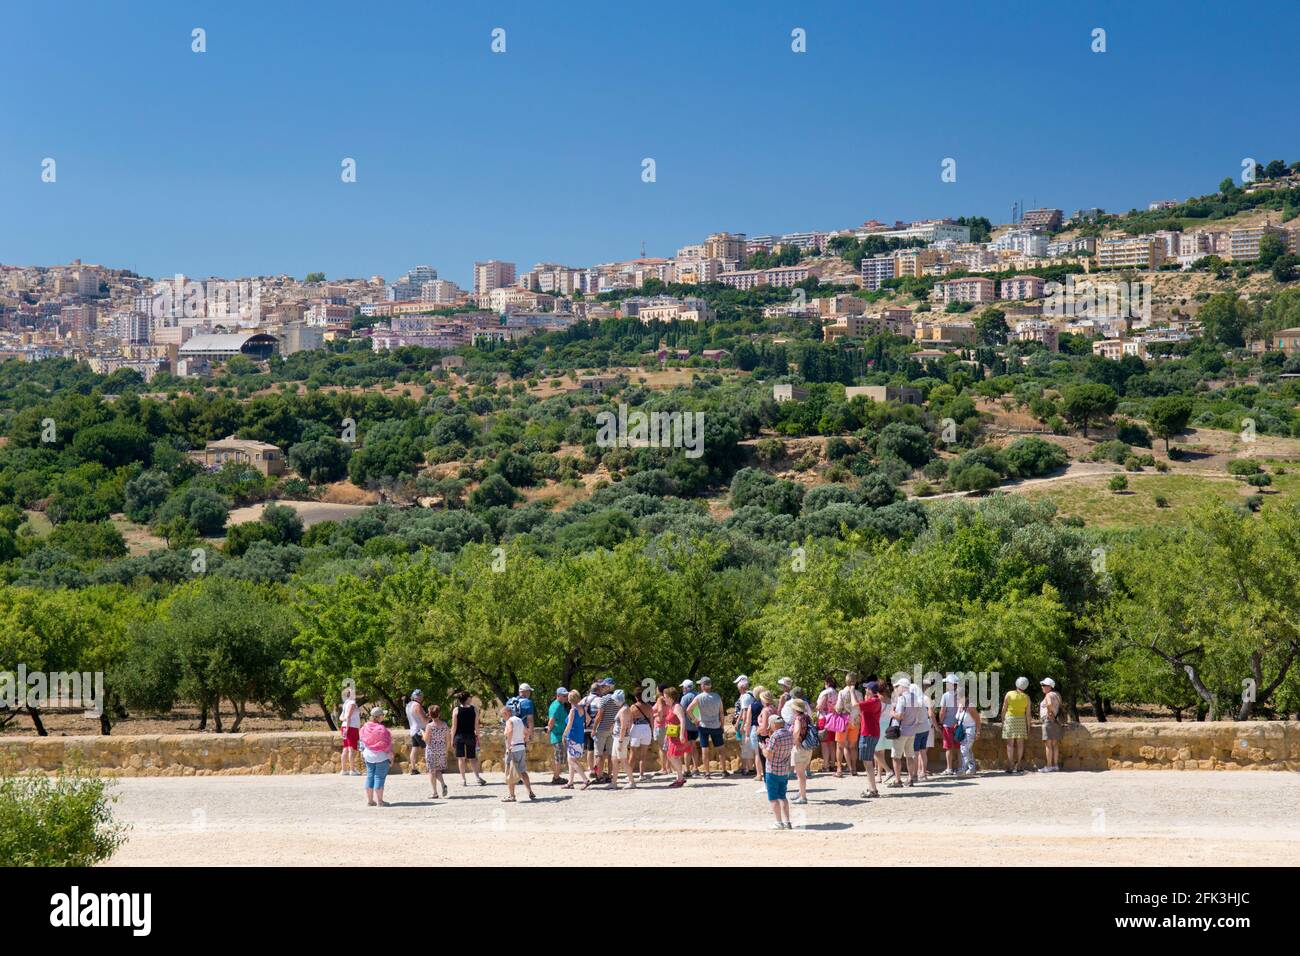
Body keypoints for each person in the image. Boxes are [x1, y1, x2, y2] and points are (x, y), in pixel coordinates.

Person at [687, 676, 727, 778]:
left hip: (703, 725)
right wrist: (722, 725)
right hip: (716, 725)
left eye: (701, 684)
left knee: (705, 749)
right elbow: (721, 713)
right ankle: (723, 770)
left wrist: (695, 720)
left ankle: (707, 773)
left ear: (704, 686)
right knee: (721, 749)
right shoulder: (717, 697)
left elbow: (688, 710)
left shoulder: (699, 697)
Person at [761, 714, 794, 830]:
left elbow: (769, 755)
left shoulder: (776, 736)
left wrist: (763, 748)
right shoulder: (789, 734)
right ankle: (787, 821)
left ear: (774, 724)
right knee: (783, 796)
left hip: (772, 770)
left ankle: (779, 822)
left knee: (773, 798)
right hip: (784, 770)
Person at [449, 691, 486, 787]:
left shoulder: (456, 710)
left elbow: (454, 726)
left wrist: (452, 739)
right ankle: (477, 778)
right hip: (470, 736)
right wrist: (478, 737)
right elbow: (476, 726)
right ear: (467, 699)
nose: (471, 698)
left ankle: (463, 780)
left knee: (461, 759)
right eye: (469, 697)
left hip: (459, 736)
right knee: (473, 758)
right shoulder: (474, 709)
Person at [886, 676, 917, 787]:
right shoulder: (914, 697)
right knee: (910, 756)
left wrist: (892, 713)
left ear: (902, 687)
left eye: (897, 686)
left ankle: (898, 780)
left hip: (901, 731)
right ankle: (910, 778)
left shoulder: (902, 699)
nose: (896, 688)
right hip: (912, 731)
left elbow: (900, 716)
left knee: (896, 757)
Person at [359, 706, 392, 807]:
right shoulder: (382, 729)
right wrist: (390, 755)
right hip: (381, 756)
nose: (383, 716)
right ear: (378, 717)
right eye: (382, 715)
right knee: (379, 777)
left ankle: (370, 801)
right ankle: (380, 802)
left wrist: (362, 752)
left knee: (370, 777)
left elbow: (362, 741)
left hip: (368, 755)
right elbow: (386, 744)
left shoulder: (365, 727)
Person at [501, 705, 536, 802]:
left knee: (510, 772)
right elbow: (527, 732)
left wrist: (509, 745)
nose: (503, 718)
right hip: (521, 748)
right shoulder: (519, 720)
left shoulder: (509, 721)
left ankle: (512, 796)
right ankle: (530, 791)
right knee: (522, 771)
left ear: (506, 713)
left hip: (513, 749)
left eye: (503, 715)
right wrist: (524, 741)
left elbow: (510, 731)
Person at [1000, 676, 1032, 773]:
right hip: (1021, 720)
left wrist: (1002, 720)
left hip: (1010, 719)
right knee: (1020, 744)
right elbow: (1028, 714)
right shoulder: (1027, 697)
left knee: (1010, 744)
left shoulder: (1009, 694)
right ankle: (1019, 765)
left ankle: (1010, 765)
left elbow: (1004, 709)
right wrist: (1028, 726)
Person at [856, 680, 882, 798]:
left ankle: (873, 789)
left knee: (868, 762)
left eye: (867, 689)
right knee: (867, 762)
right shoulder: (873, 701)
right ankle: (872, 788)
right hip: (871, 733)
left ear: (871, 691)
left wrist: (852, 692)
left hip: (869, 734)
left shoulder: (873, 702)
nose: (865, 690)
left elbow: (855, 705)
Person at [591, 679, 619, 783]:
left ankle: (599, 776)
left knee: (598, 754)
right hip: (613, 730)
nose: (601, 688)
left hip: (602, 729)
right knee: (611, 754)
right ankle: (610, 775)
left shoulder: (604, 699)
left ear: (608, 687)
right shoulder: (618, 699)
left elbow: (599, 715)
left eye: (603, 687)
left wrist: (594, 728)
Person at [561, 689, 590, 789]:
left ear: (570, 699)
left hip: (572, 736)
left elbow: (569, 725)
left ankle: (585, 780)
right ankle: (570, 782)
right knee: (571, 760)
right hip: (580, 736)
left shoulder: (573, 710)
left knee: (572, 760)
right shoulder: (582, 708)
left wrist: (564, 735)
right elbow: (588, 719)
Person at [663, 686, 691, 788]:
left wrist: (681, 734)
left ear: (670, 697)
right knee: (672, 755)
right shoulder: (672, 707)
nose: (664, 698)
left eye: (665, 696)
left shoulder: (677, 707)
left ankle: (680, 777)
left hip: (678, 734)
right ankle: (680, 777)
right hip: (672, 734)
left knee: (672, 755)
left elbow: (682, 720)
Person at [836, 672, 862, 777]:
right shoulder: (859, 694)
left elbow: (838, 708)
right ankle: (854, 769)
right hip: (855, 721)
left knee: (840, 746)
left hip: (843, 721)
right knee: (853, 747)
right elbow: (860, 707)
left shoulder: (842, 693)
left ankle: (839, 769)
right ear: (855, 681)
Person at [789, 699, 815, 804]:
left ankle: (803, 797)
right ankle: (800, 792)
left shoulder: (798, 719)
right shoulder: (807, 717)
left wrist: (795, 741)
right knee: (802, 772)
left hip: (800, 748)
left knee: (800, 774)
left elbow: (796, 731)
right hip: (808, 747)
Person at [611, 689, 637, 789]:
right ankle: (614, 782)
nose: (614, 702)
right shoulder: (623, 708)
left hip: (620, 738)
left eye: (614, 700)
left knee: (623, 760)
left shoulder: (624, 710)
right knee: (614, 759)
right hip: (617, 737)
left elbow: (623, 727)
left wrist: (621, 741)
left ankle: (632, 782)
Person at [627, 687, 655, 780]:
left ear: (636, 697)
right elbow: (652, 721)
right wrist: (652, 732)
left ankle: (629, 775)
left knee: (632, 754)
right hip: (646, 729)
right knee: (644, 754)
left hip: (635, 729)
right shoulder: (649, 707)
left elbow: (630, 721)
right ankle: (641, 775)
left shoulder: (633, 707)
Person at [938, 674, 963, 776]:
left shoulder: (945, 696)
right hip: (959, 724)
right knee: (959, 747)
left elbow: (942, 711)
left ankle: (949, 768)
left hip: (948, 725)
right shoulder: (961, 695)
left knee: (948, 747)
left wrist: (940, 721)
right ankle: (961, 768)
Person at [424, 703, 448, 799]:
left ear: (430, 714)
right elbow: (448, 739)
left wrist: (423, 734)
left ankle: (435, 792)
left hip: (431, 751)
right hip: (441, 750)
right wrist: (446, 750)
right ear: (439, 714)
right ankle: (443, 784)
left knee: (431, 771)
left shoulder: (429, 726)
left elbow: (427, 740)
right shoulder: (444, 725)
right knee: (437, 770)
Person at [1038, 678, 1063, 772]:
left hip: (1048, 721)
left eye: (1044, 685)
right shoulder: (1057, 694)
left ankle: (1048, 766)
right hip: (1056, 721)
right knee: (1055, 744)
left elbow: (1049, 704)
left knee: (1048, 744)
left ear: (1049, 686)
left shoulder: (1048, 695)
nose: (1042, 687)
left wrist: (1050, 713)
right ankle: (1055, 765)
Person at [815, 675, 838, 774]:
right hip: (833, 718)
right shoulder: (836, 693)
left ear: (827, 683)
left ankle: (825, 766)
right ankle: (833, 764)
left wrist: (817, 707)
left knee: (824, 743)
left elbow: (820, 707)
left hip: (824, 718)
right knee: (832, 742)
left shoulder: (825, 692)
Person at [546, 687, 569, 785]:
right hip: (557, 736)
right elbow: (551, 721)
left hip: (560, 735)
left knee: (559, 757)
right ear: (558, 695)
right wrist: (549, 729)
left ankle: (557, 776)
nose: (566, 697)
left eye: (566, 695)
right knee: (558, 757)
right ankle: (556, 777)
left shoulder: (560, 705)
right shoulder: (556, 706)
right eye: (564, 696)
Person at [874, 682, 895, 782]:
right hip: (887, 725)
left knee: (875, 751)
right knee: (881, 752)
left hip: (878, 725)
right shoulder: (891, 700)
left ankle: (888, 770)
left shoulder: (878, 700)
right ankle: (879, 775)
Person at [679, 679, 700, 776]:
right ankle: (696, 768)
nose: (683, 689)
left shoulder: (685, 698)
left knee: (687, 748)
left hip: (687, 726)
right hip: (697, 726)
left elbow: (682, 712)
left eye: (683, 687)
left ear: (687, 687)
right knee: (694, 747)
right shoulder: (698, 695)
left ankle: (687, 770)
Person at [733, 675, 754, 770]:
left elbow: (745, 712)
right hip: (742, 722)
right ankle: (746, 767)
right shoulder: (748, 695)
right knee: (745, 746)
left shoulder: (746, 696)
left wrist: (740, 725)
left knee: (746, 746)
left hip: (744, 723)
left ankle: (749, 768)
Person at [957, 690, 981, 775]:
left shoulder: (970, 706)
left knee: (964, 749)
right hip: (963, 730)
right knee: (968, 749)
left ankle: (964, 768)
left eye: (959, 696)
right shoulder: (960, 705)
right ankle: (971, 768)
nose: (957, 698)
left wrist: (978, 732)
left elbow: (977, 720)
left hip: (970, 730)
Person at [339, 687, 361, 776]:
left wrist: (345, 721)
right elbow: (348, 716)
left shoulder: (345, 703)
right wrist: (348, 727)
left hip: (344, 726)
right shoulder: (352, 703)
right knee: (351, 749)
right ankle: (352, 770)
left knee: (345, 748)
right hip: (351, 727)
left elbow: (341, 717)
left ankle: (344, 770)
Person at [405, 689, 427, 775]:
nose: (422, 697)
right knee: (427, 749)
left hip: (413, 730)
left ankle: (413, 768)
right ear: (419, 696)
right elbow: (424, 720)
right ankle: (431, 768)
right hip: (420, 730)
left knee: (414, 749)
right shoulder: (417, 705)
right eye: (421, 696)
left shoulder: (408, 705)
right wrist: (430, 717)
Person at [652, 683, 671, 777]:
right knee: (667, 747)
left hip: (660, 725)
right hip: (668, 725)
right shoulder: (668, 698)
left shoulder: (659, 699)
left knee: (661, 748)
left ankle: (663, 768)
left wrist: (658, 717)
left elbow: (659, 710)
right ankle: (669, 767)